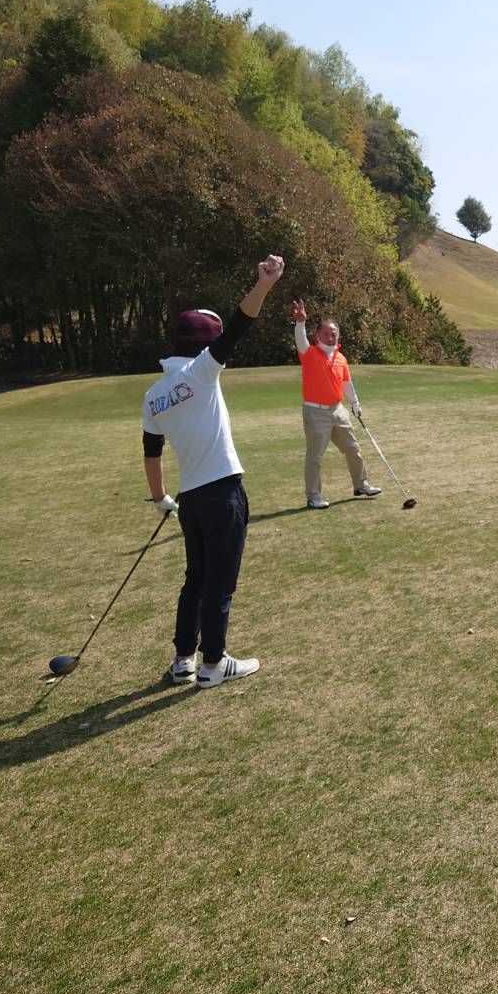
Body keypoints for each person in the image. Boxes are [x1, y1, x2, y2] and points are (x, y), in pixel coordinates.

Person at [142, 255, 285, 687]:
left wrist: (160, 499)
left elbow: (152, 453)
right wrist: (264, 283)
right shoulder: (202, 370)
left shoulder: (153, 394)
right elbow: (241, 323)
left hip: (189, 500)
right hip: (223, 493)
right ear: (204, 344)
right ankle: (213, 665)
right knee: (220, 584)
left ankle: (183, 660)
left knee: (196, 581)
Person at [291, 301, 381, 509]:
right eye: (326, 334)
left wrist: (355, 402)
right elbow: (300, 340)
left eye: (334, 335)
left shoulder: (340, 358)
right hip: (315, 412)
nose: (330, 338)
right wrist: (300, 323)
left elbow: (346, 382)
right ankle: (314, 496)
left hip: (338, 410)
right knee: (315, 457)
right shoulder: (309, 353)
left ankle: (361, 485)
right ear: (318, 336)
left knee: (353, 448)